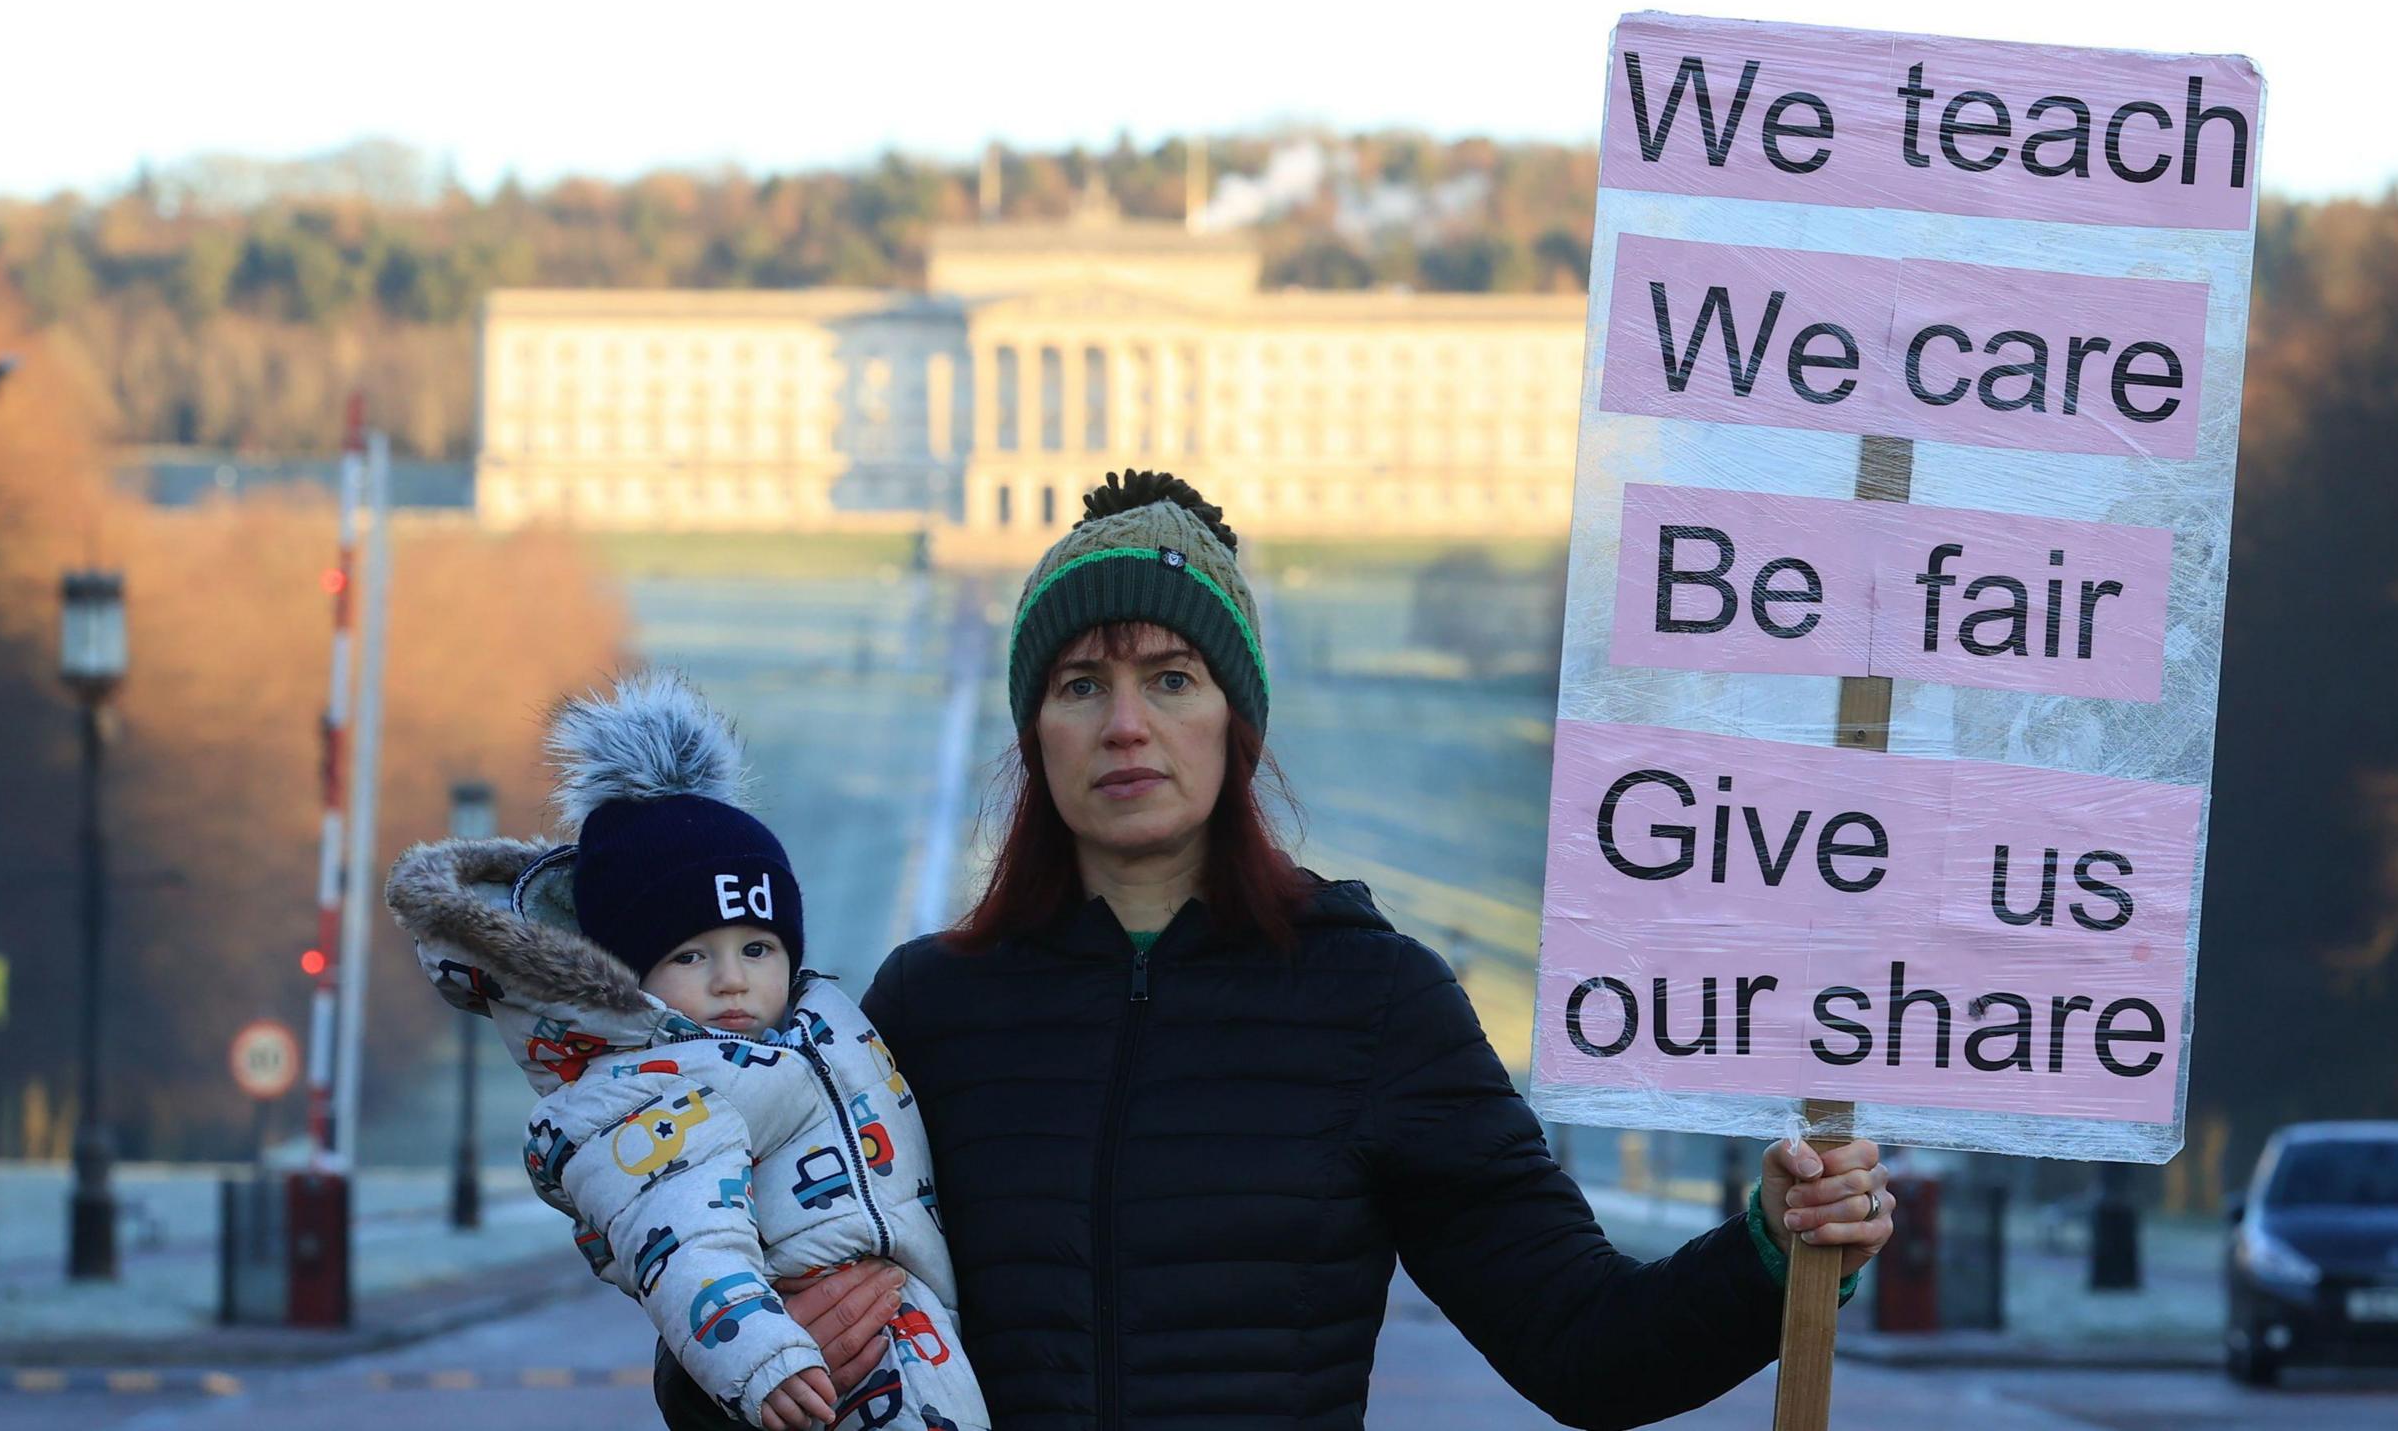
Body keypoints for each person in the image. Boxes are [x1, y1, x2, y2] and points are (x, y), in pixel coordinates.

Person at [656, 470, 1895, 1429]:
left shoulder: (1375, 998)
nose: (1126, 724)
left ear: (1235, 720)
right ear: (1034, 730)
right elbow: (734, 1291)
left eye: (1172, 677)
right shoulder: (926, 1006)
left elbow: (1582, 1344)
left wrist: (1767, 1255)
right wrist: (730, 1357)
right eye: (1080, 684)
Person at [386, 670, 989, 1431]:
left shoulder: (809, 1026)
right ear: (628, 975)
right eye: (692, 956)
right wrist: (765, 1360)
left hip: (919, 1351)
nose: (733, 979)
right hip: (830, 1382)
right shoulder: (646, 1090)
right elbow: (684, 1240)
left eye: (757, 947)